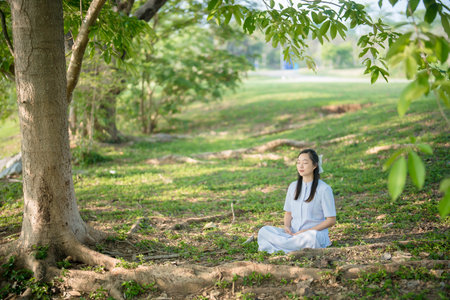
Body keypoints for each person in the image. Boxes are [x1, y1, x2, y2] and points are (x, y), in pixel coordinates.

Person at [257, 149, 336, 254]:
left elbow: (331, 220)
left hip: (312, 234)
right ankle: (290, 245)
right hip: (293, 234)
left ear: (315, 165)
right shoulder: (293, 186)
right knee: (264, 230)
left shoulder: (324, 189)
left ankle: (281, 246)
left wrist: (307, 231)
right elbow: (288, 213)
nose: (301, 166)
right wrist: (287, 227)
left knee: (311, 238)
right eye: (298, 163)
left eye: (305, 163)